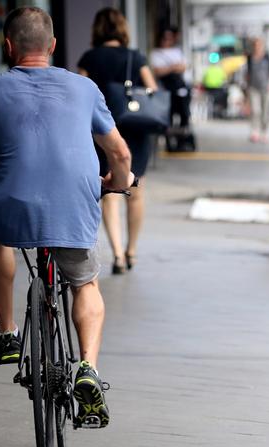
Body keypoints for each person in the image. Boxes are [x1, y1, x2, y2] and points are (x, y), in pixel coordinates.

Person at [0, 7, 134, 427]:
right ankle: (88, 368)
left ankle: (7, 333)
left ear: (8, 46)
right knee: (84, 282)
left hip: (12, 203)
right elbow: (120, 153)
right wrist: (119, 182)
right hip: (72, 203)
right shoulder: (84, 88)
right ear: (53, 46)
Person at [78, 8, 158, 275]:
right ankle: (132, 250)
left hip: (102, 132)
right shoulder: (136, 57)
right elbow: (152, 91)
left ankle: (118, 255)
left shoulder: (89, 58)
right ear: (123, 29)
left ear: (97, 30)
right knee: (136, 190)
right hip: (136, 130)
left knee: (110, 193)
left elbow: (80, 95)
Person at [150, 27, 194, 151]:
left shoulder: (177, 51)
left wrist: (169, 68)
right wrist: (173, 67)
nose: (167, 41)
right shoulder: (156, 53)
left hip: (180, 90)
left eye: (170, 38)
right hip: (165, 90)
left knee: (184, 116)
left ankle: (183, 142)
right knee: (168, 117)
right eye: (164, 38)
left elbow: (184, 67)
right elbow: (158, 71)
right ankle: (170, 143)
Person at [245, 37, 269, 143]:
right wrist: (247, 89)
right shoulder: (250, 57)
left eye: (259, 45)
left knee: (266, 112)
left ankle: (264, 132)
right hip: (253, 88)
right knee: (255, 110)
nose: (257, 47)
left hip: (266, 87)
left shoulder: (267, 57)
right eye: (255, 45)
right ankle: (255, 131)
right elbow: (248, 74)